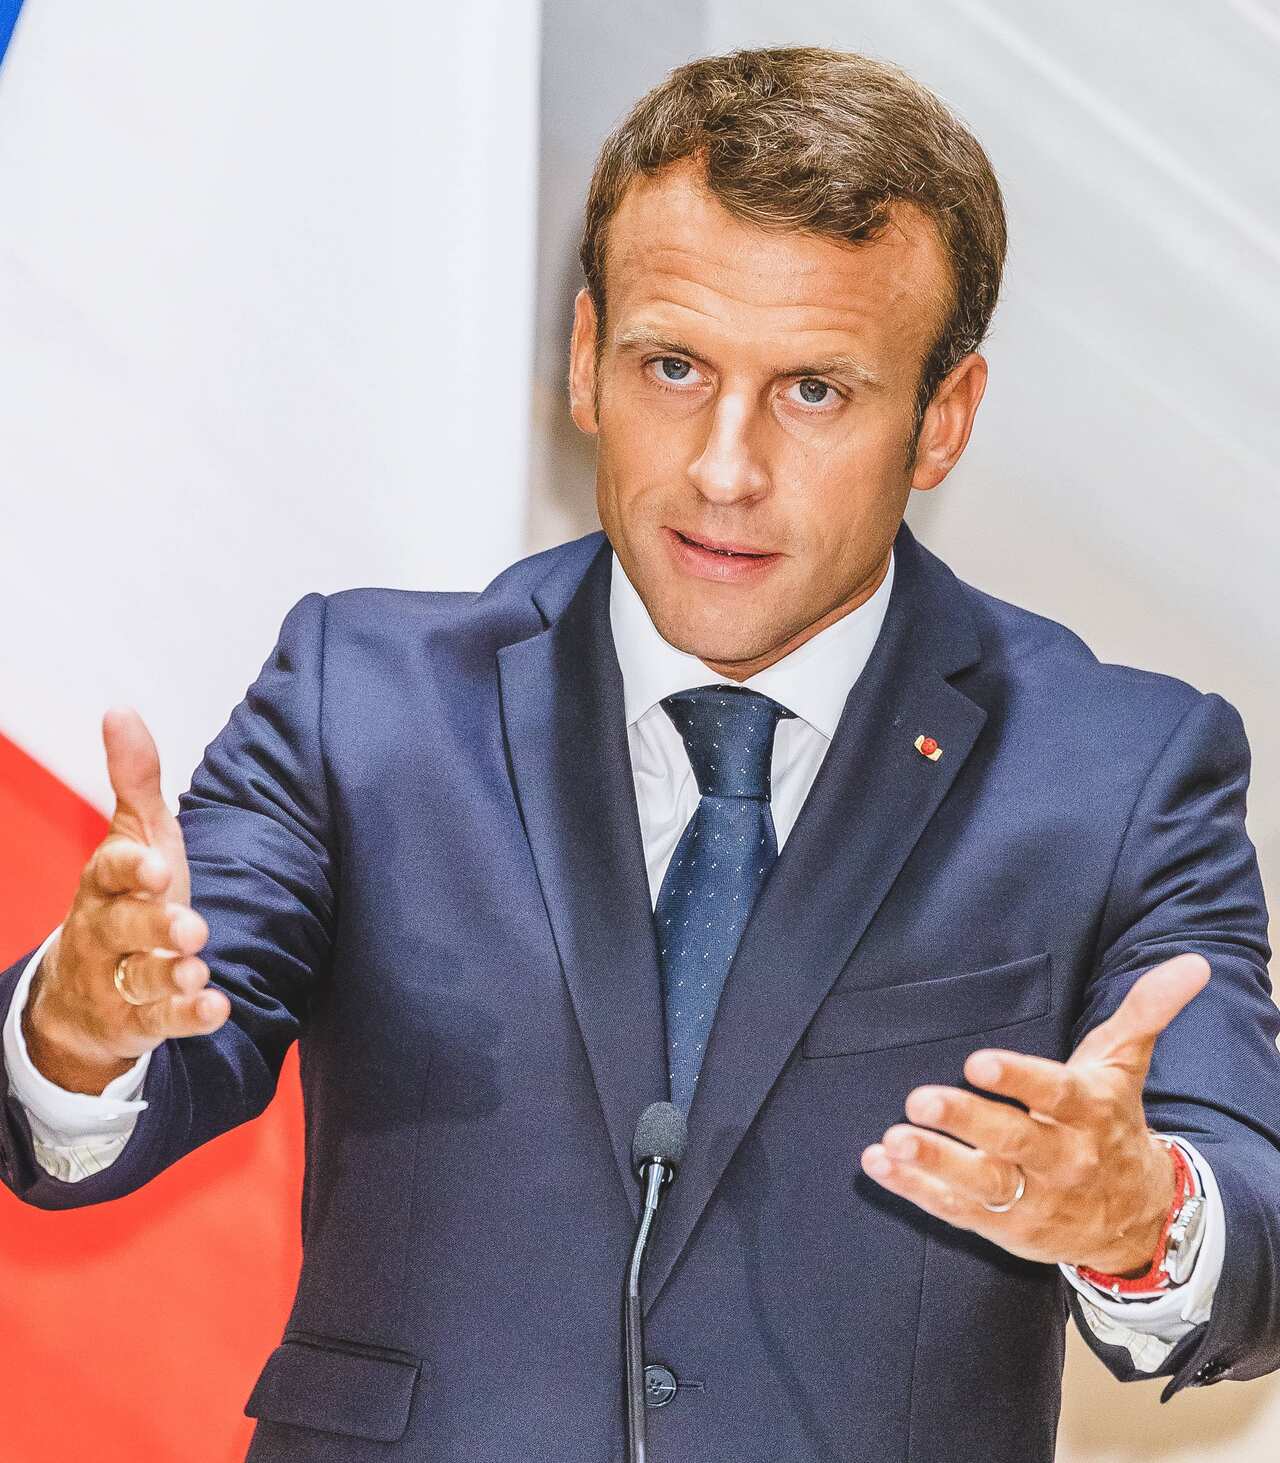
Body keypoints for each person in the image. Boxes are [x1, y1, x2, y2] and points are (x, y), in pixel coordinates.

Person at [2, 44, 1278, 1463]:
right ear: (584, 359)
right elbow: (137, 1077)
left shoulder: (1122, 767)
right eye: (674, 366)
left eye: (813, 392)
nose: (725, 467)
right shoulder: (358, 692)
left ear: (945, 419)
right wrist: (80, 1025)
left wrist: (1142, 1216)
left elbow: (1256, 1246)